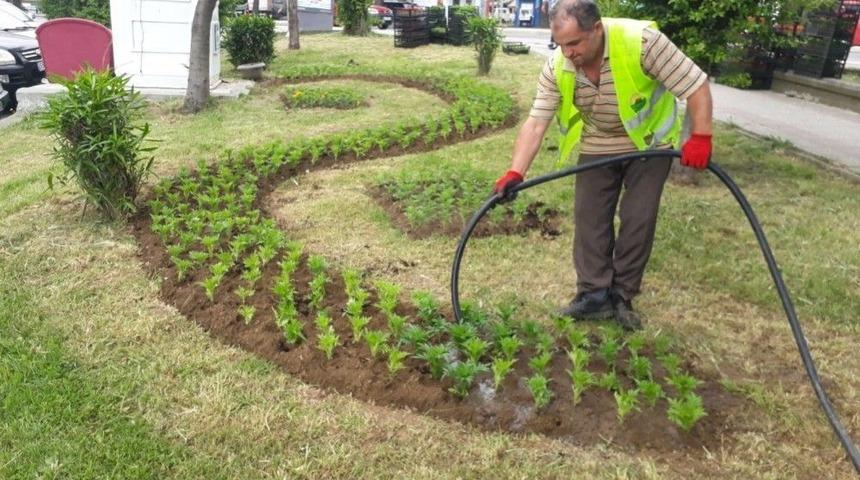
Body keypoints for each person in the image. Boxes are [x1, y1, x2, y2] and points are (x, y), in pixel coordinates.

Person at [493, 0, 712, 330]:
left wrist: (701, 136)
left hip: (648, 143)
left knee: (638, 217)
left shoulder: (642, 43)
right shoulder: (559, 65)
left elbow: (695, 85)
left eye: (574, 43)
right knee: (590, 218)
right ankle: (594, 294)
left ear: (596, 29)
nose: (568, 53)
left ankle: (622, 295)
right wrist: (515, 171)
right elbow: (536, 123)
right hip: (599, 142)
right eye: (560, 44)